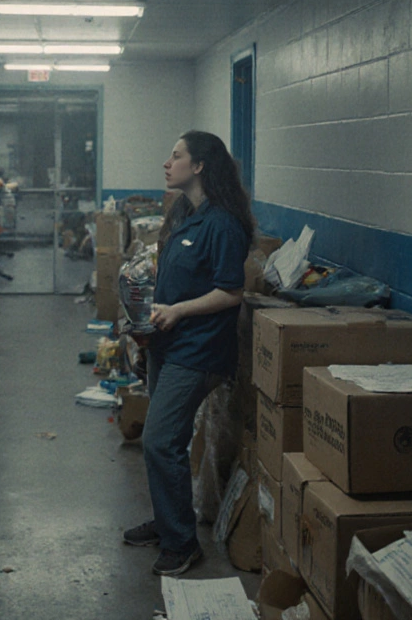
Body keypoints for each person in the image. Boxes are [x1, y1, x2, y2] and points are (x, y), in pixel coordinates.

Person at [122, 130, 254, 576]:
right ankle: (167, 522)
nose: (167, 162)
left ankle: (182, 544)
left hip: (197, 352)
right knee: (164, 443)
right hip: (167, 343)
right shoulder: (184, 213)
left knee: (160, 441)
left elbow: (231, 291)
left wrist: (177, 311)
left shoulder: (223, 223)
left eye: (175, 156)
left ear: (198, 166)